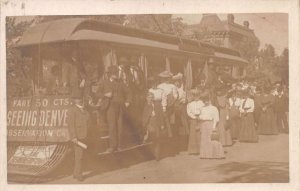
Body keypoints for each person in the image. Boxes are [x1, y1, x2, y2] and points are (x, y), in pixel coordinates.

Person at [96, 65, 132, 153]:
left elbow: (129, 92)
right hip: (110, 107)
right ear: (110, 74)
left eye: (116, 72)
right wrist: (105, 95)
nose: (116, 74)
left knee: (120, 127)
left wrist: (128, 102)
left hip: (120, 106)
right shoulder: (104, 82)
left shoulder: (120, 82)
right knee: (112, 127)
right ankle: (113, 146)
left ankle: (120, 146)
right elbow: (97, 93)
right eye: (114, 73)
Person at [68, 95, 90, 181]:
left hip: (85, 135)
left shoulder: (84, 109)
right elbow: (70, 125)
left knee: (79, 155)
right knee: (79, 156)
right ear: (74, 100)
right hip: (78, 136)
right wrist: (73, 137)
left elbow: (87, 118)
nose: (80, 100)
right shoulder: (72, 110)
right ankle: (79, 174)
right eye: (77, 99)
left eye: (80, 98)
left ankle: (75, 173)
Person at [198, 92, 225, 159]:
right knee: (205, 140)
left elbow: (216, 118)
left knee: (213, 139)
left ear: (210, 100)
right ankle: (205, 155)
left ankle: (216, 154)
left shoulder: (213, 108)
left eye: (207, 100)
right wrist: (200, 118)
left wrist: (214, 127)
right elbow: (200, 116)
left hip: (211, 124)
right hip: (204, 125)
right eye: (204, 101)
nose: (206, 102)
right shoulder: (202, 108)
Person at [142, 92, 165, 160]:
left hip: (157, 123)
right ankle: (151, 153)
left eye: (152, 97)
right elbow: (144, 117)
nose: (150, 99)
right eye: (149, 97)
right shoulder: (145, 106)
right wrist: (144, 127)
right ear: (146, 98)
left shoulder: (157, 105)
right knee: (152, 137)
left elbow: (161, 115)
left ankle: (157, 155)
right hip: (150, 124)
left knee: (157, 138)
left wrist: (162, 124)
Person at [157, 70, 178, 137]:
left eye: (167, 78)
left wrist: (172, 100)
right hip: (161, 103)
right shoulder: (160, 86)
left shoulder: (172, 86)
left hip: (170, 104)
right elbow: (159, 94)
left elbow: (175, 95)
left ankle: (170, 134)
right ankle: (163, 133)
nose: (166, 80)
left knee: (169, 118)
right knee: (162, 118)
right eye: (165, 78)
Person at [186, 89, 204, 155]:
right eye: (194, 95)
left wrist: (200, 116)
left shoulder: (202, 102)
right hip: (193, 119)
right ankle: (193, 150)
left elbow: (203, 110)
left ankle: (201, 149)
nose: (196, 97)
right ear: (193, 96)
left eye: (197, 95)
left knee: (200, 134)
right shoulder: (190, 104)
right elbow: (189, 112)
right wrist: (194, 117)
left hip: (200, 119)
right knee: (193, 135)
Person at [172, 73, 189, 139]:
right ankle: (176, 134)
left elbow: (185, 97)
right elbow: (174, 97)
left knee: (184, 120)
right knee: (175, 121)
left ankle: (185, 134)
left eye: (178, 81)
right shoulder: (173, 89)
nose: (177, 83)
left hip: (181, 106)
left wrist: (184, 100)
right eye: (176, 82)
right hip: (175, 106)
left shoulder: (182, 89)